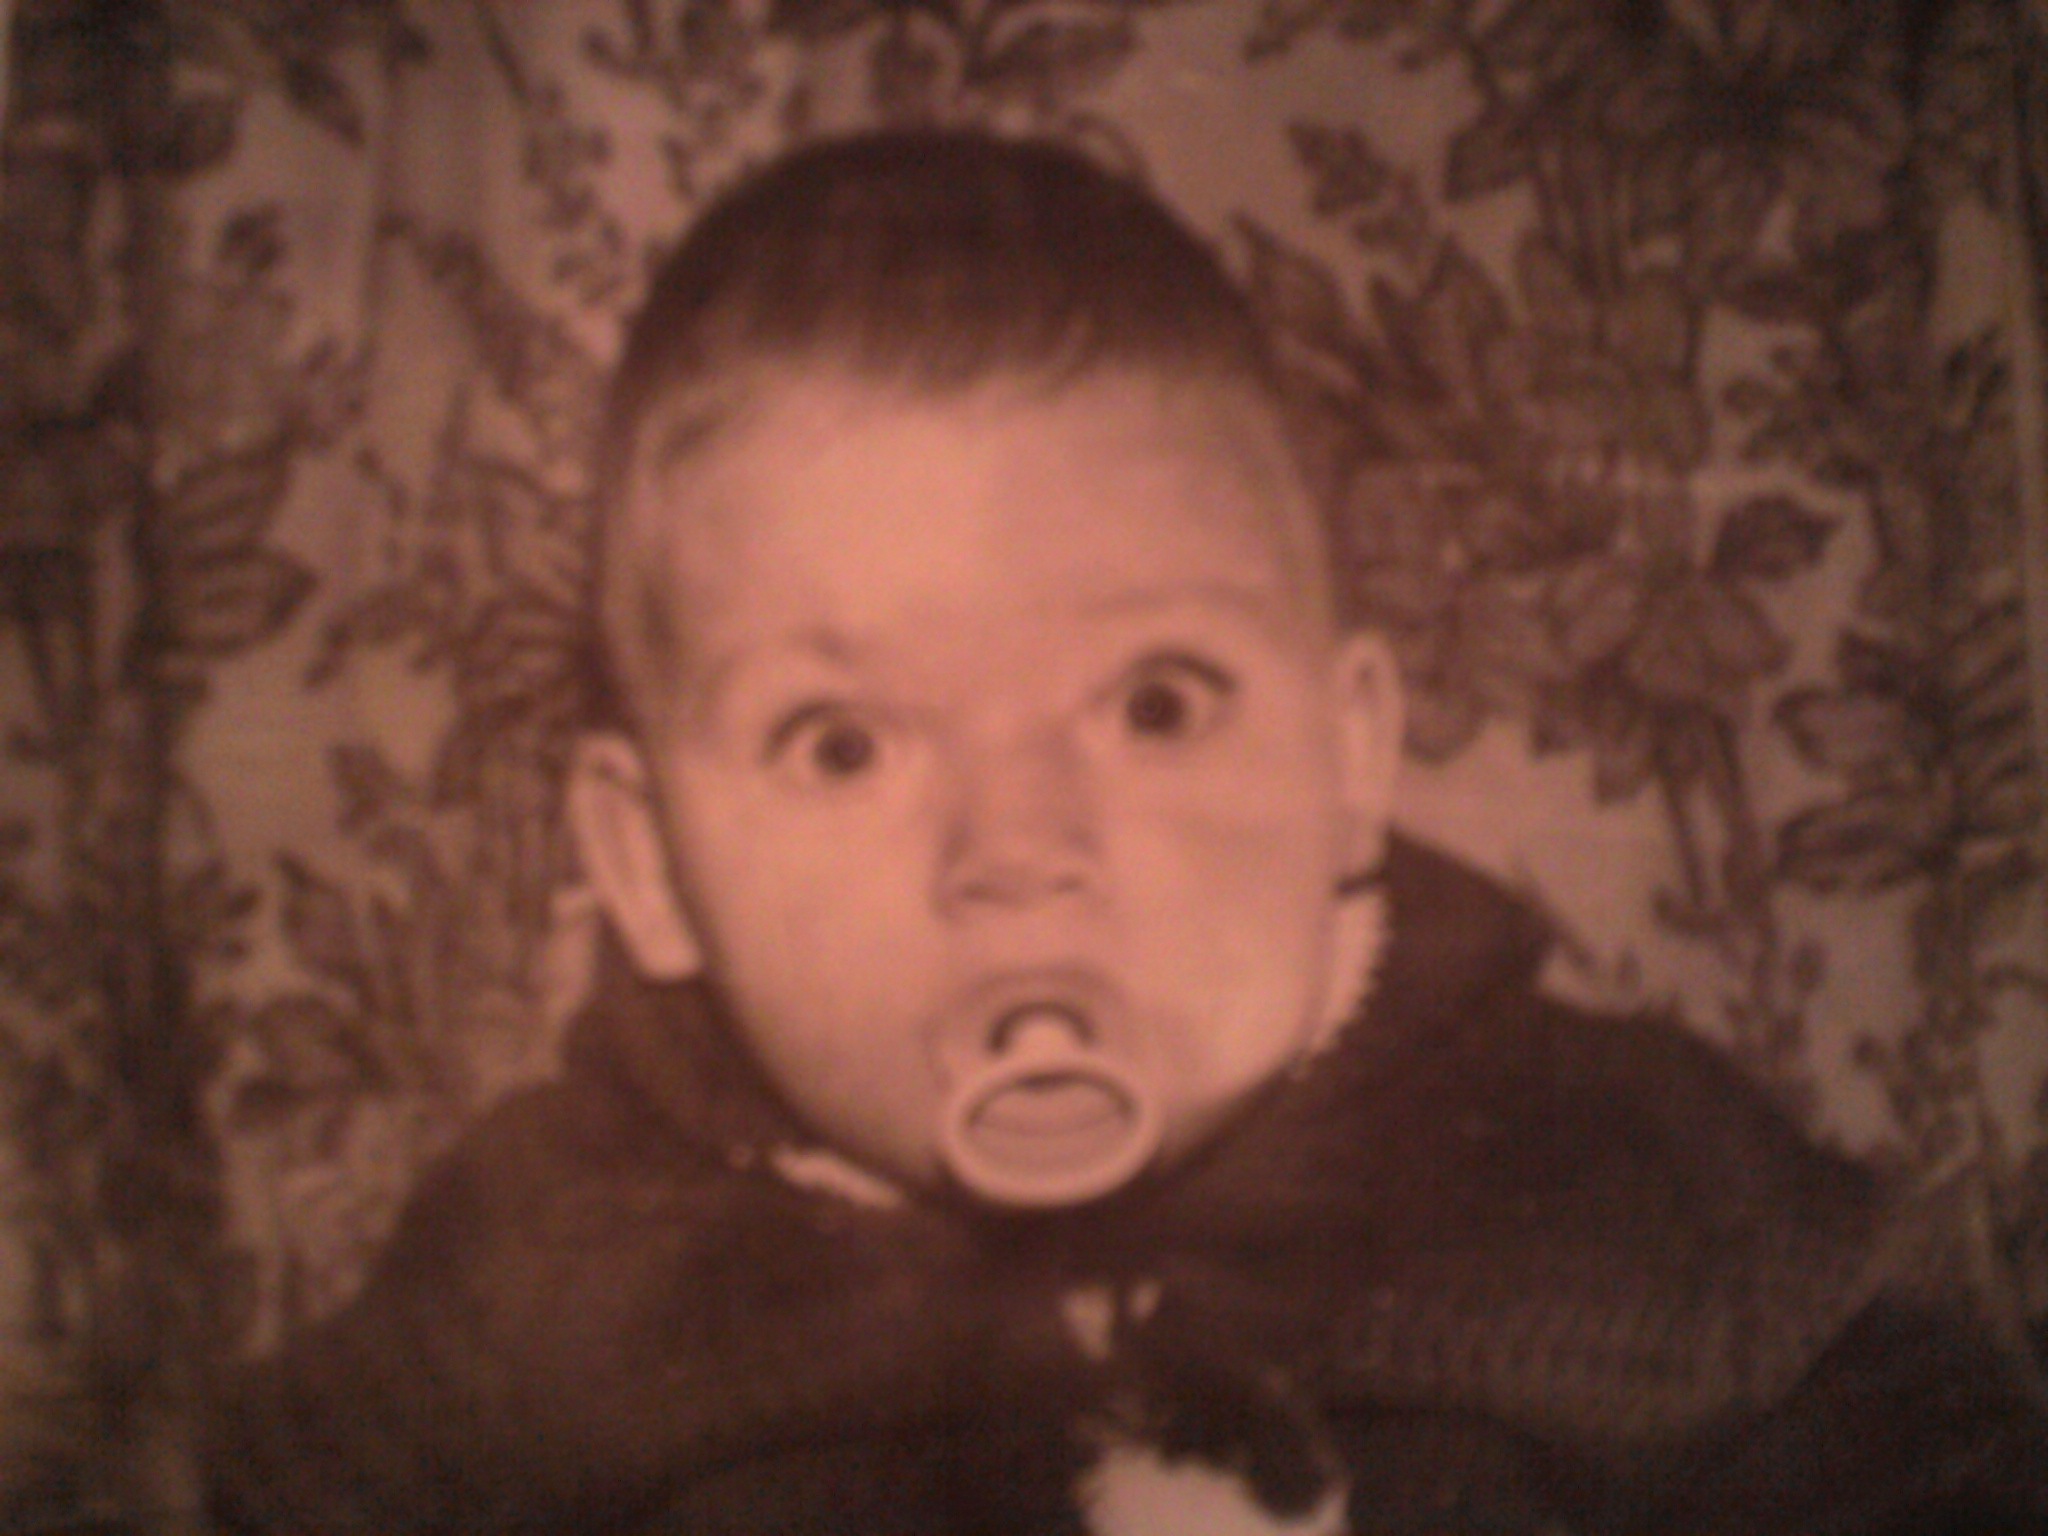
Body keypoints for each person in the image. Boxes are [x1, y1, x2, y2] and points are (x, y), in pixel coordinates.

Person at [208, 129, 2047, 1535]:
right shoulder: (541, 1277)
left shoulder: (1625, 1171)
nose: (1019, 847)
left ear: (1350, 758)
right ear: (644, 864)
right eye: (842, 745)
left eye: (1157, 704)